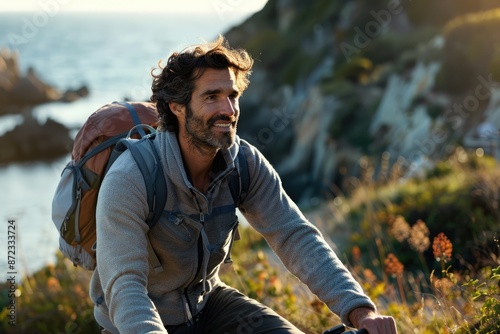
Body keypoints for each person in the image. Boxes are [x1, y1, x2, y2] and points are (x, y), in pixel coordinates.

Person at [89, 35, 398, 334]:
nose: (229, 110)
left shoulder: (244, 163)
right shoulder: (130, 179)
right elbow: (125, 288)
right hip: (139, 320)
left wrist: (360, 311)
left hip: (207, 304)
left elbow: (294, 235)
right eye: (211, 97)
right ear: (177, 107)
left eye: (232, 96)